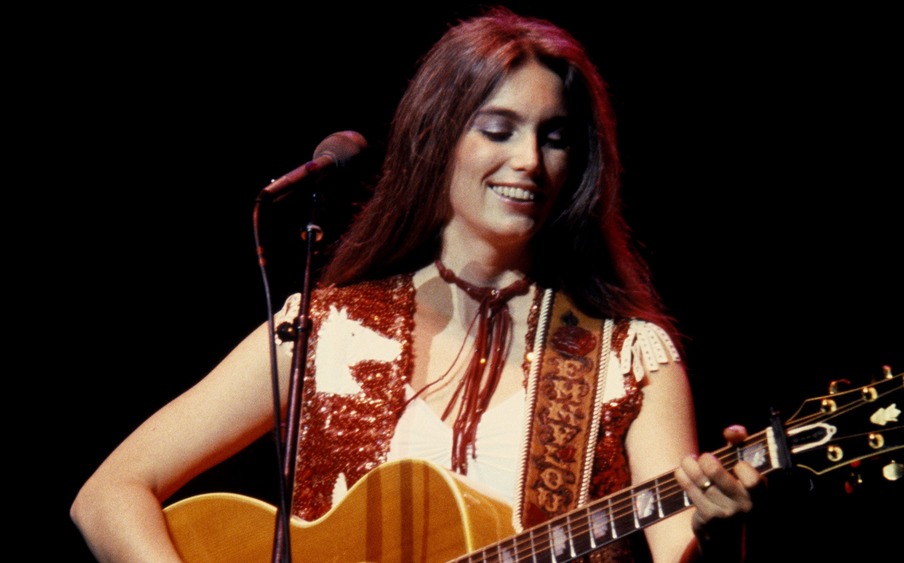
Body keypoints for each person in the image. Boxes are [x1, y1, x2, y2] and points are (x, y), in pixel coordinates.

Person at [71, 7, 761, 562]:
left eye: (554, 137)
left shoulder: (630, 356)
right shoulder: (323, 328)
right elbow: (108, 493)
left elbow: (679, 551)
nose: (528, 160)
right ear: (439, 141)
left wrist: (719, 531)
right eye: (498, 129)